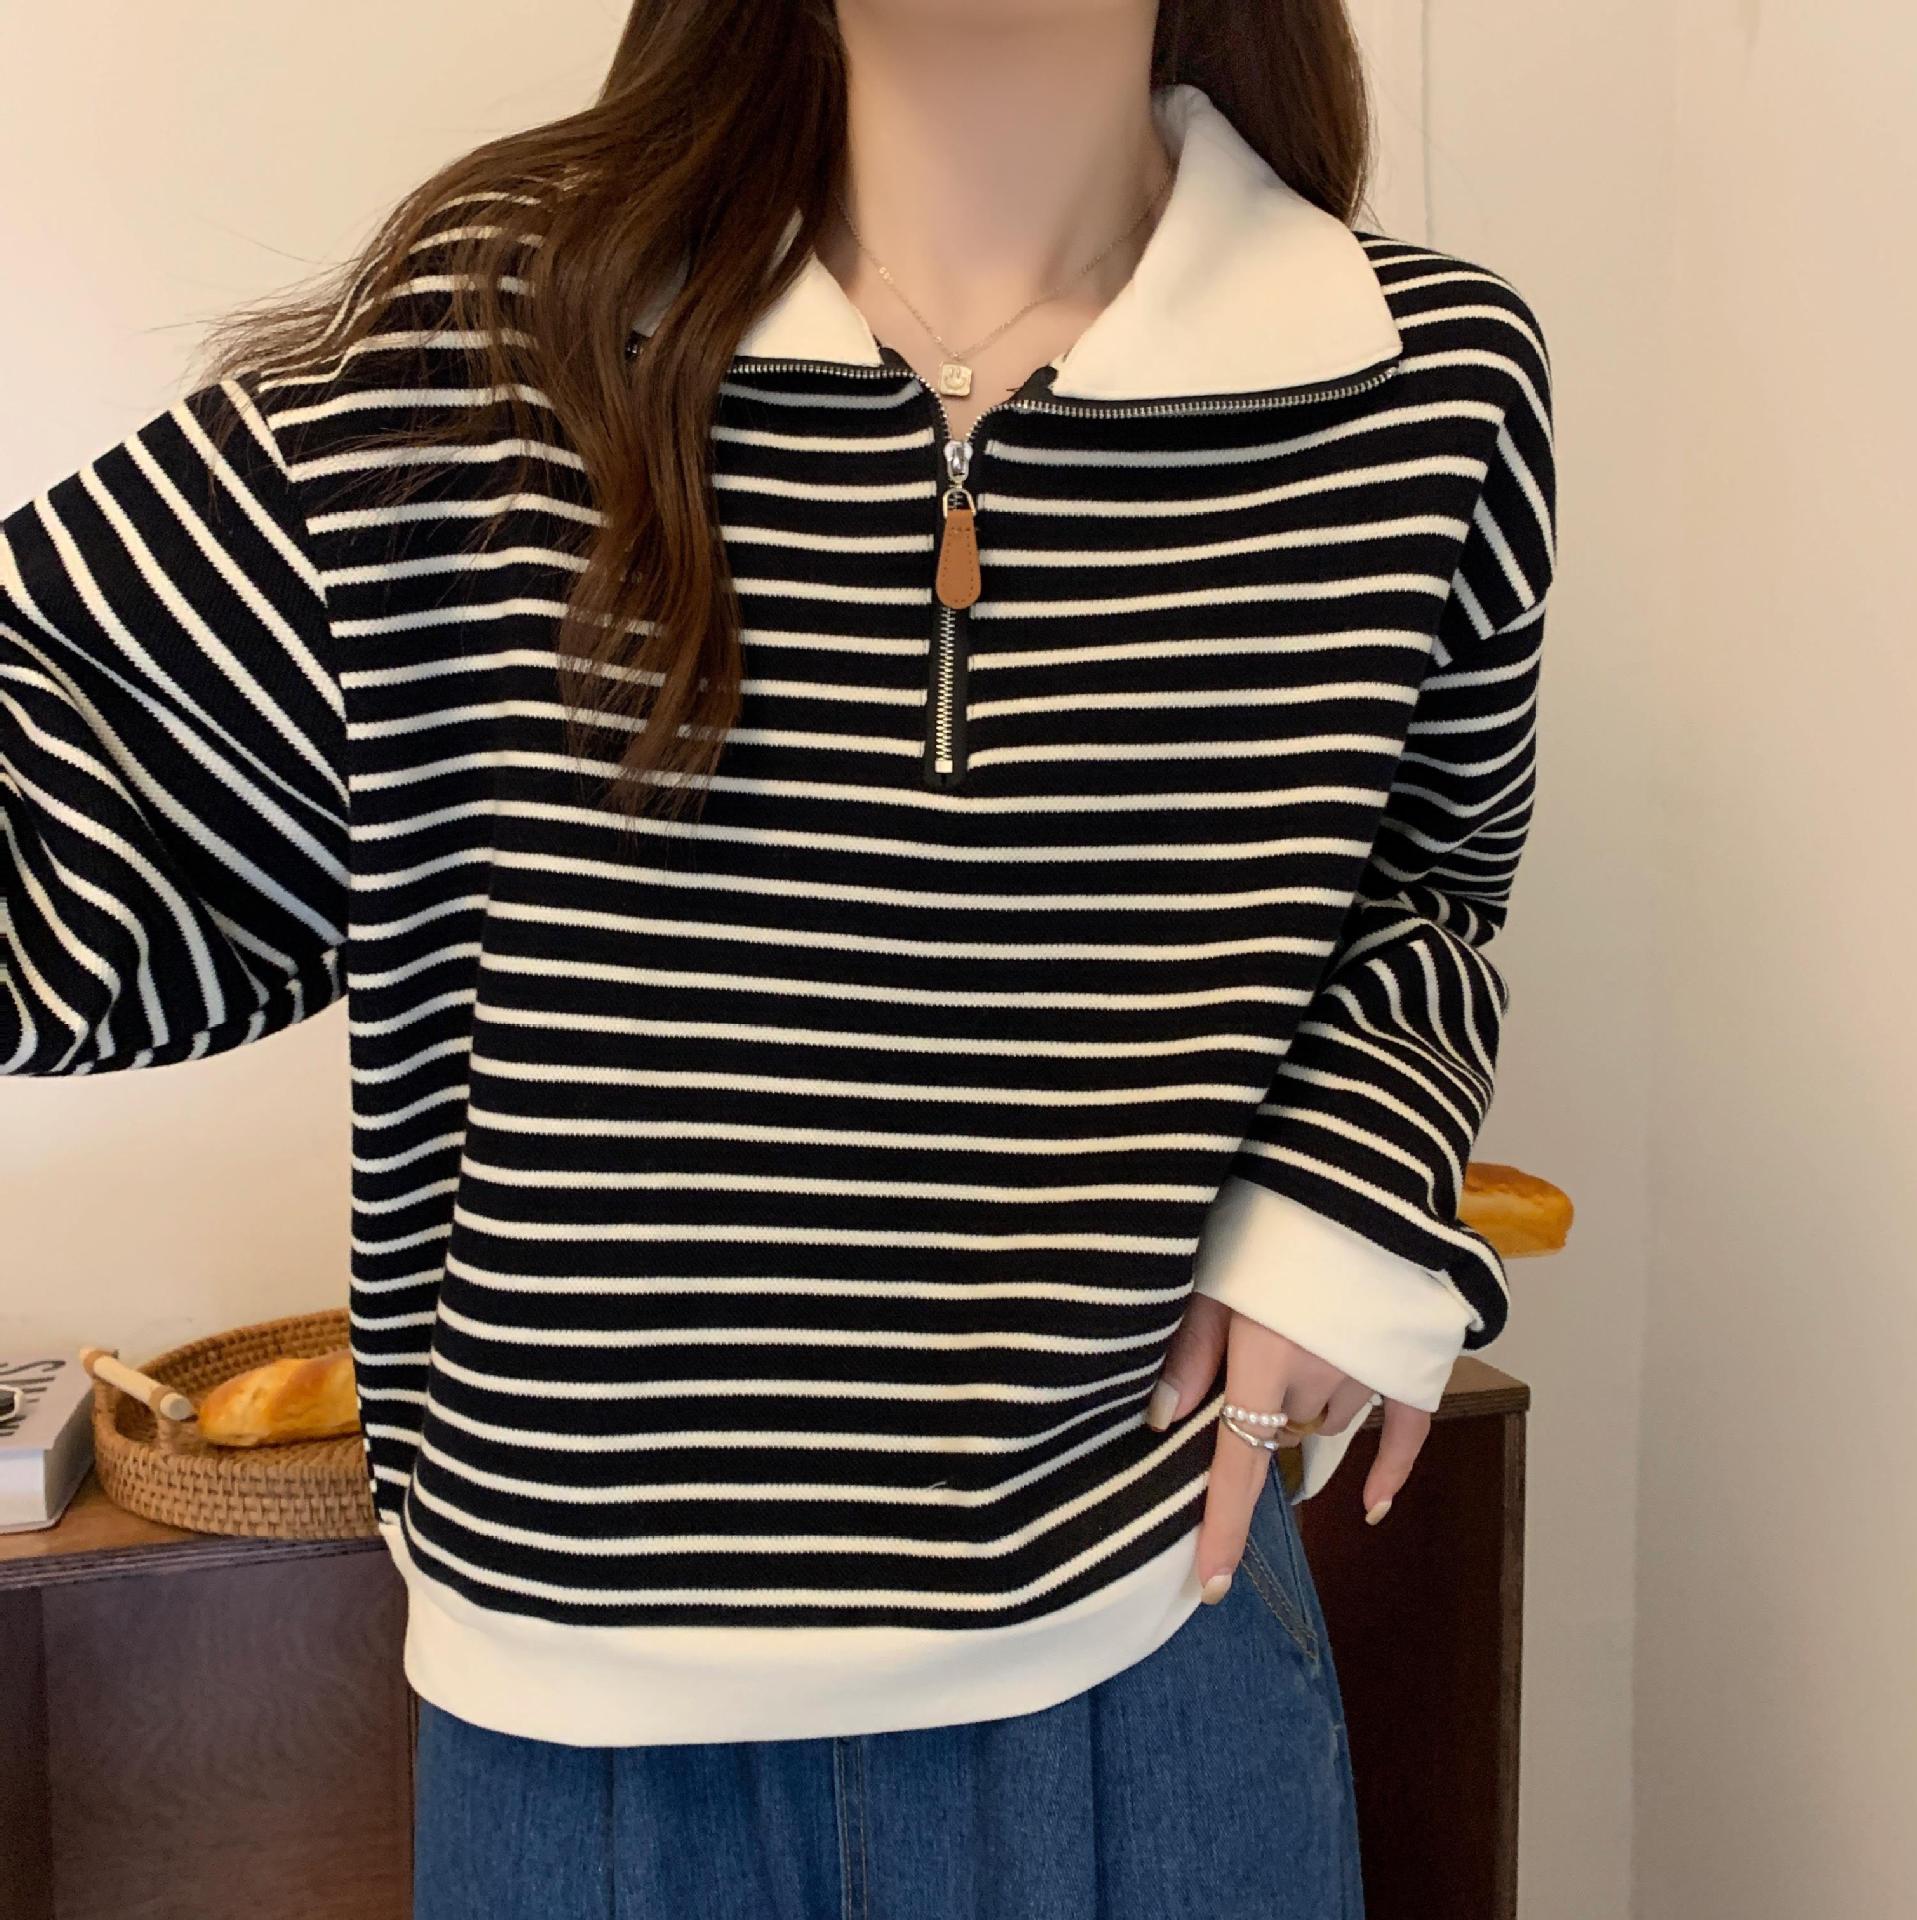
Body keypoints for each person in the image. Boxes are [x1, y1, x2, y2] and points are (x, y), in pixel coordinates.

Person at [1, 1, 1555, 1912]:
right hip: (578, 1762)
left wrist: (1335, 1196)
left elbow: (1424, 889)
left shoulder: (1419, 383)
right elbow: (75, 835)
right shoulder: (504, 338)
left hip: (1151, 1667)